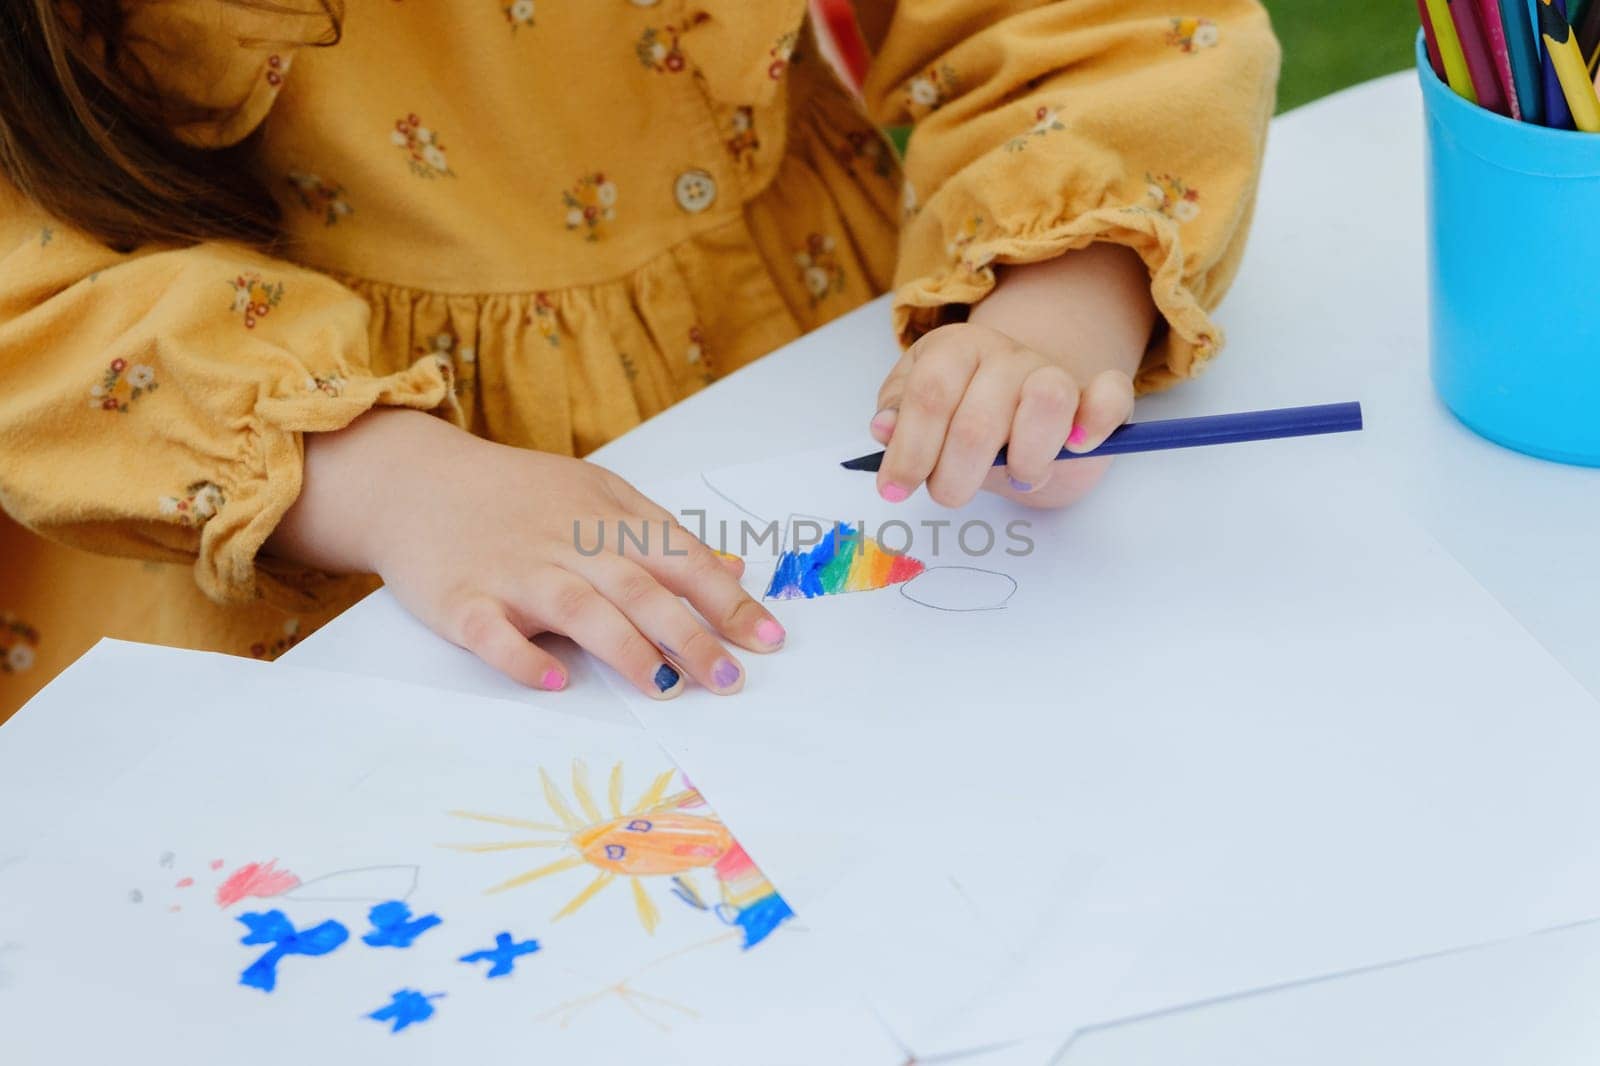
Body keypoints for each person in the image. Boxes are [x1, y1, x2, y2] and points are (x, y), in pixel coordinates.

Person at [0, 1, 1280, 718]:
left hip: (784, 386)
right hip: (304, 522)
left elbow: (1097, 24)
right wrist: (389, 479)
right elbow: (40, 286)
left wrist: (1050, 306)